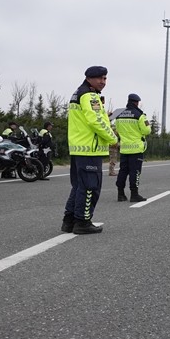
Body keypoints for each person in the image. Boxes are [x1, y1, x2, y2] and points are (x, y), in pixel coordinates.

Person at [62, 66, 117, 235]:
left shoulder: (78, 93)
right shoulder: (89, 95)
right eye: (100, 78)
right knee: (90, 187)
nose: (103, 82)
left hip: (79, 148)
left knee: (79, 186)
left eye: (105, 78)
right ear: (89, 78)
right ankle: (83, 222)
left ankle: (69, 221)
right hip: (89, 149)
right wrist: (113, 139)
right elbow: (96, 121)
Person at [113, 93, 151, 202]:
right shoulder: (139, 115)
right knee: (135, 172)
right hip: (136, 149)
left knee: (123, 171)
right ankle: (134, 194)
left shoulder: (119, 115)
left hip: (124, 148)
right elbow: (147, 131)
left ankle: (120, 194)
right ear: (137, 102)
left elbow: (118, 130)